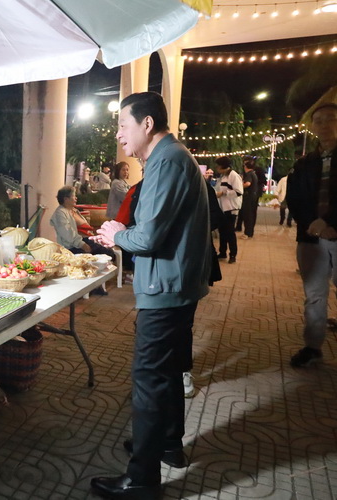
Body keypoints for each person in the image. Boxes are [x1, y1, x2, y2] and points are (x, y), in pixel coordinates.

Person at [90, 91, 210, 500]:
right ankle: (168, 444)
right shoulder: (172, 157)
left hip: (166, 287)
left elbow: (148, 236)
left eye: (123, 125)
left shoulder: (167, 161)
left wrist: (117, 234)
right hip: (177, 283)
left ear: (147, 124)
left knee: (148, 380)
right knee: (169, 371)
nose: (118, 134)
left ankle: (141, 478)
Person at [286, 102, 337, 368]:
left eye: (331, 119)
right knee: (314, 294)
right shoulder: (304, 164)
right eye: (319, 121)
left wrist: (331, 223)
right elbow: (295, 199)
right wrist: (312, 224)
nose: (324, 125)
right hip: (310, 238)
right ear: (312, 127)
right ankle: (313, 347)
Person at [214, 156, 243, 263]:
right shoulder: (222, 177)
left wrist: (223, 193)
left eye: (218, 166)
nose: (216, 168)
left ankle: (233, 255)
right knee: (222, 231)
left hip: (231, 208)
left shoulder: (233, 175)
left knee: (230, 232)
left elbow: (239, 192)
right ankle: (222, 252)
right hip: (222, 208)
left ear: (222, 166)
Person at [236, 156, 259, 238]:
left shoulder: (249, 174)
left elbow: (248, 184)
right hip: (253, 196)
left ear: (245, 166)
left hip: (248, 197)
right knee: (251, 215)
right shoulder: (253, 173)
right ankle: (250, 232)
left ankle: (247, 233)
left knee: (248, 215)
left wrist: (239, 186)